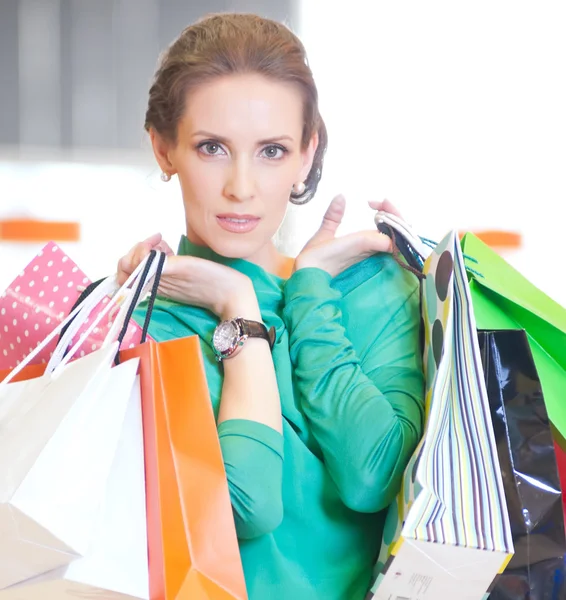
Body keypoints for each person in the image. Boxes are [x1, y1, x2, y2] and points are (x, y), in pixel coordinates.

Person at [118, 13, 424, 600]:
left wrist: (310, 294)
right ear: (163, 148)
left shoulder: (370, 291)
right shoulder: (139, 325)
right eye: (212, 147)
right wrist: (238, 310)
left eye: (272, 151)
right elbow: (244, 509)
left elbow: (373, 476)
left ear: (307, 156)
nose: (241, 186)